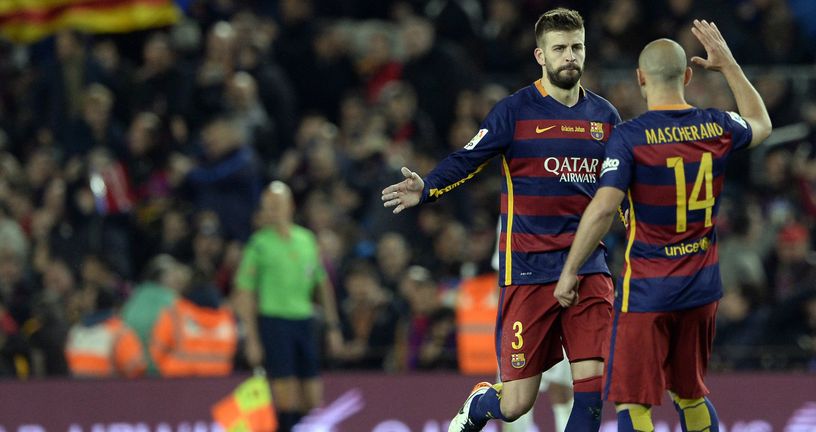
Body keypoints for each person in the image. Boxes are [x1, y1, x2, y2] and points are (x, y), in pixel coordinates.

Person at [382, 8, 621, 432]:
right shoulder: (516, 111)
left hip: (588, 269)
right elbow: (468, 158)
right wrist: (429, 187)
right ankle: (477, 405)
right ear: (540, 56)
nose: (570, 56)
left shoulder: (605, 117)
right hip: (529, 271)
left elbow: (621, 192)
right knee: (515, 404)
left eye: (577, 47)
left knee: (590, 397)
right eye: (560, 49)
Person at [553, 20, 771, 432]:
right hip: (703, 288)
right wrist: (729, 66)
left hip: (648, 291)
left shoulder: (630, 137)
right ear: (688, 75)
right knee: (690, 392)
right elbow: (761, 123)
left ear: (639, 78)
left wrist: (570, 270)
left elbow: (602, 209)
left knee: (632, 405)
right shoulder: (717, 125)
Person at [233, 181, 343, 432]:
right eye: (268, 207)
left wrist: (333, 326)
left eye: (277, 205)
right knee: (286, 396)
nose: (273, 211)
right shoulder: (259, 244)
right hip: (274, 322)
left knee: (313, 396)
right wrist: (251, 338)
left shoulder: (306, 240)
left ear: (290, 205)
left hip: (304, 322)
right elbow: (245, 294)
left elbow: (322, 286)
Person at [150, 283, 237, 377]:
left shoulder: (175, 314)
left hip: (176, 379)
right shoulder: (227, 319)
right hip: (217, 381)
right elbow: (234, 352)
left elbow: (157, 351)